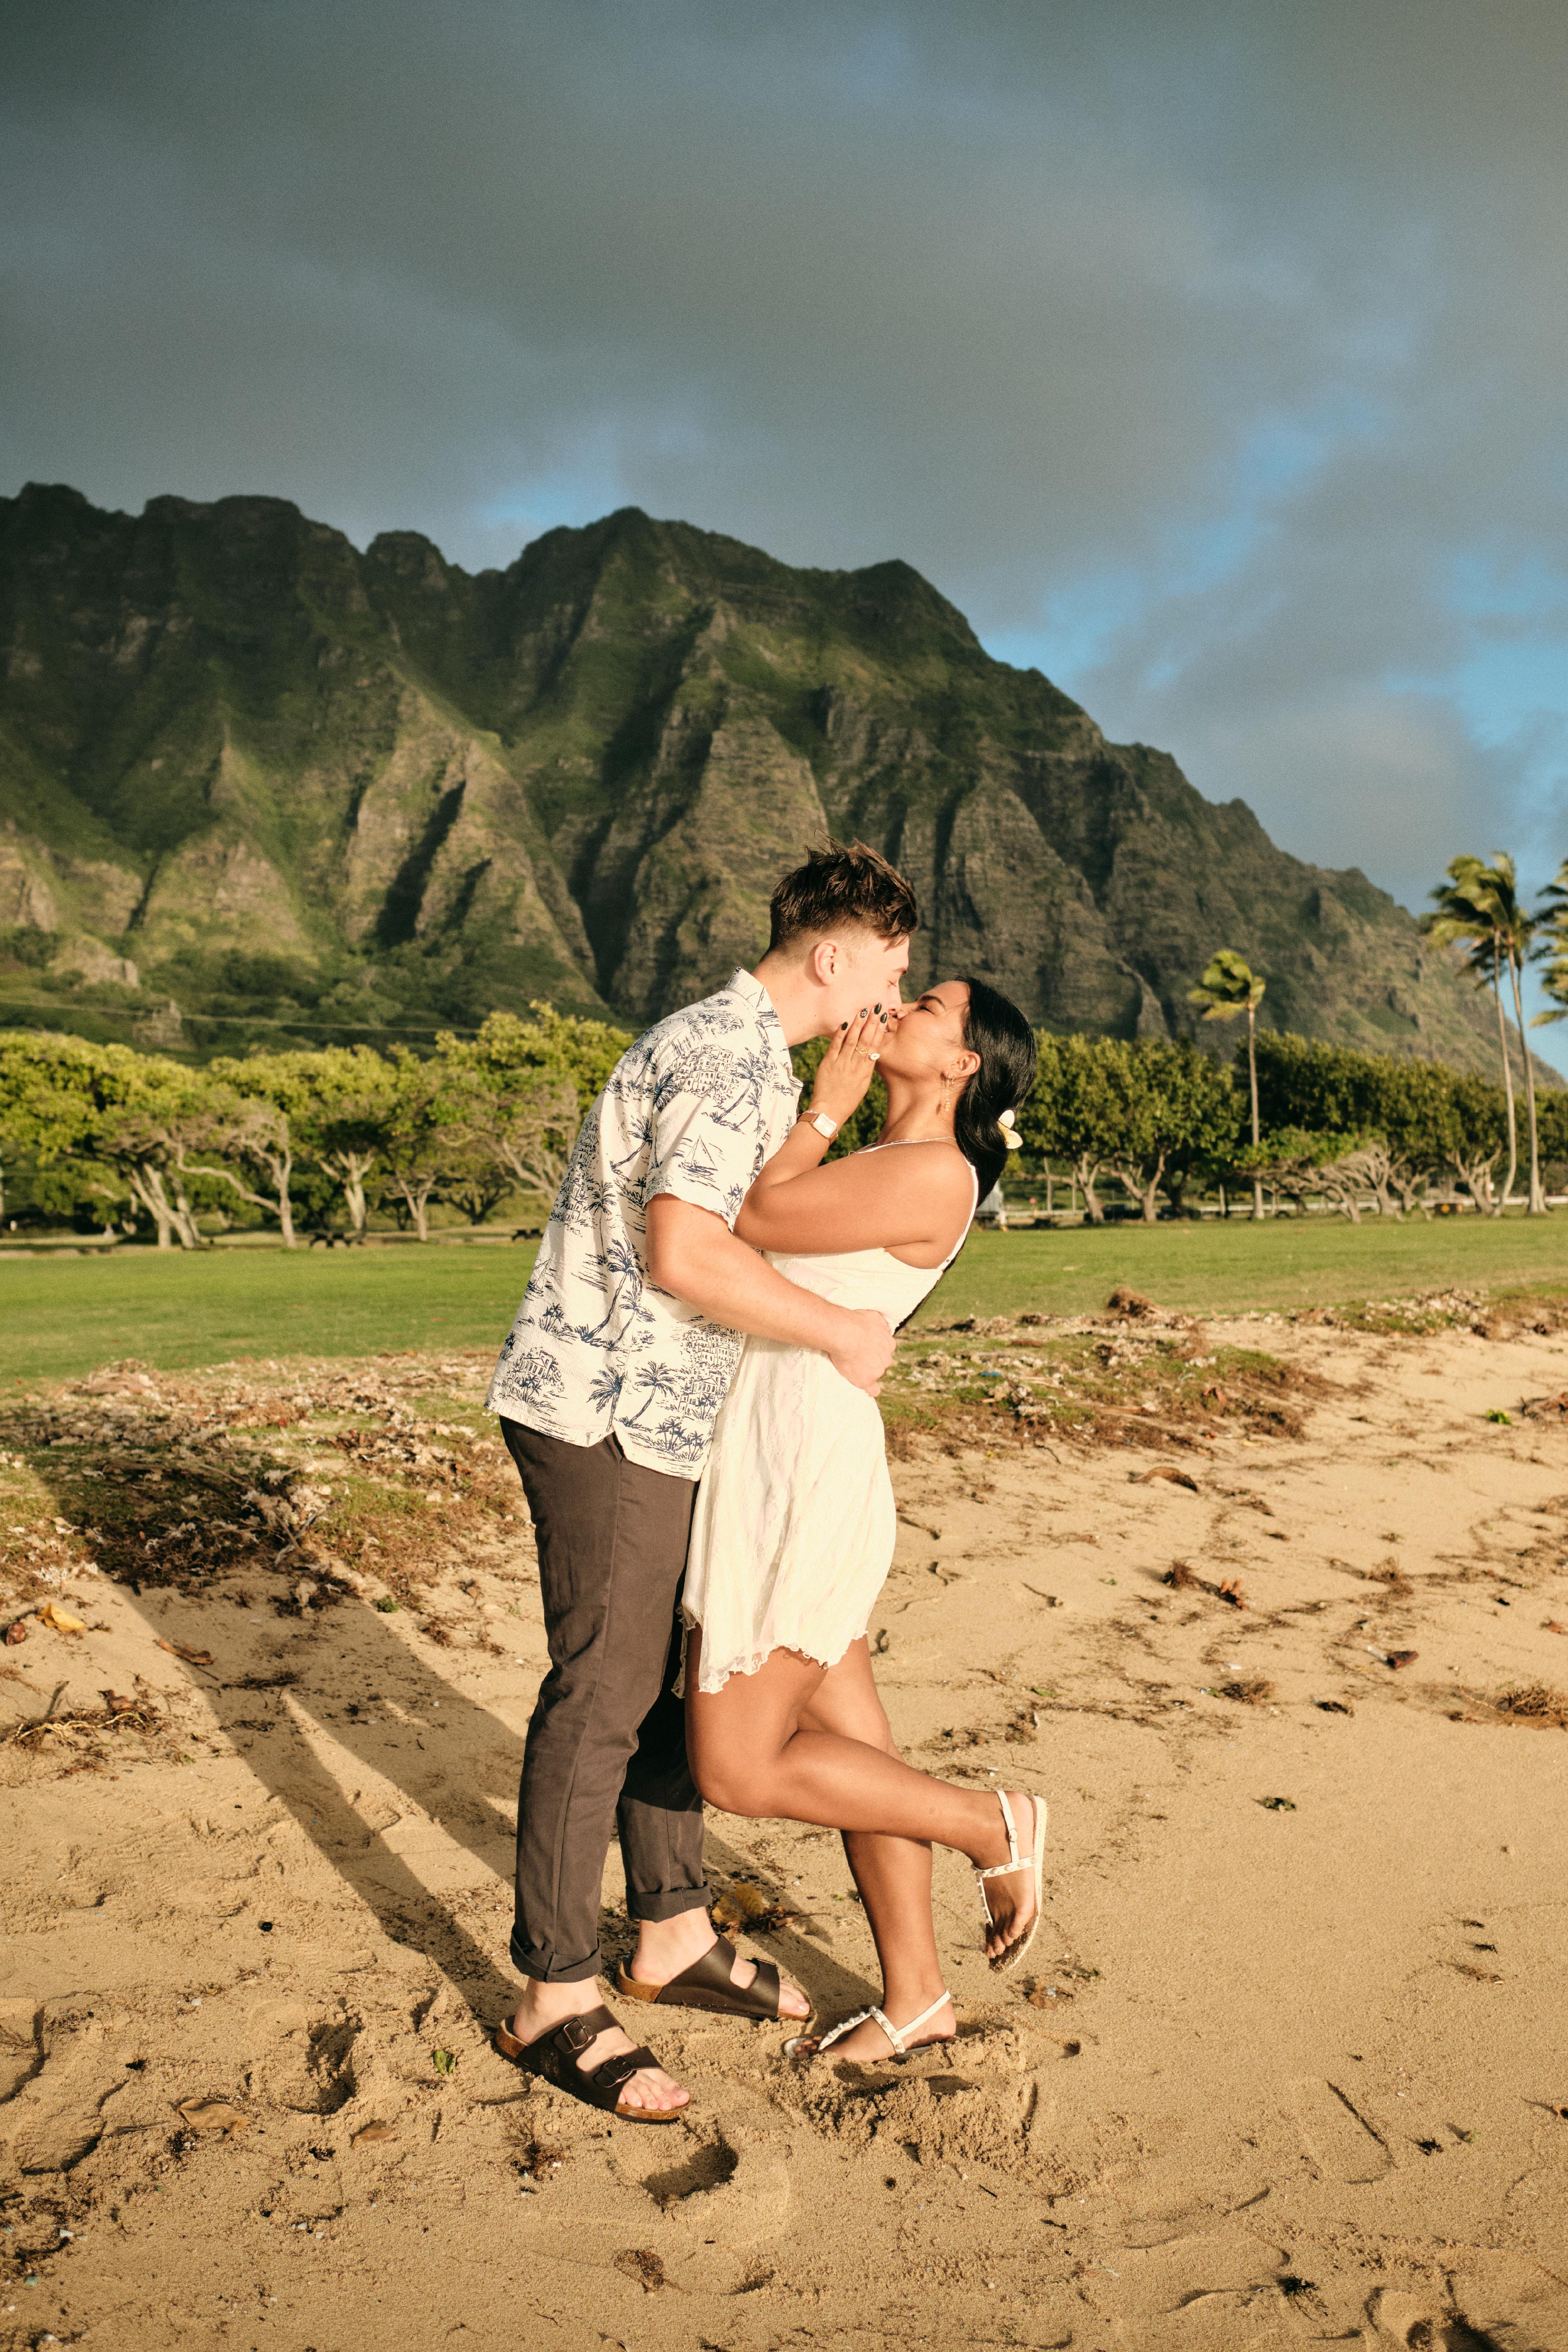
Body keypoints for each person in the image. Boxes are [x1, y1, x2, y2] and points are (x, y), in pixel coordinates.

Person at [486, 843, 918, 2123]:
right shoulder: (728, 1058)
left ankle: (671, 1926)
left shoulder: (750, 1058)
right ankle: (554, 1993)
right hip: (606, 1412)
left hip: (662, 1418)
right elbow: (686, 1251)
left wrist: (825, 1112)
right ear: (833, 958)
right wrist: (840, 1333)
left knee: (670, 1670)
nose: (895, 998)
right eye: (891, 970)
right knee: (604, 1690)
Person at [679, 977, 1043, 2062]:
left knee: (738, 1771)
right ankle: (919, 1996)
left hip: (799, 1469)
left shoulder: (933, 1170)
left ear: (962, 1065)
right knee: (858, 1750)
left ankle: (991, 1822)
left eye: (927, 1005)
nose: (899, 1007)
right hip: (778, 1450)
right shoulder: (893, 1161)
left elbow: (753, 1218)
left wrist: (825, 1105)